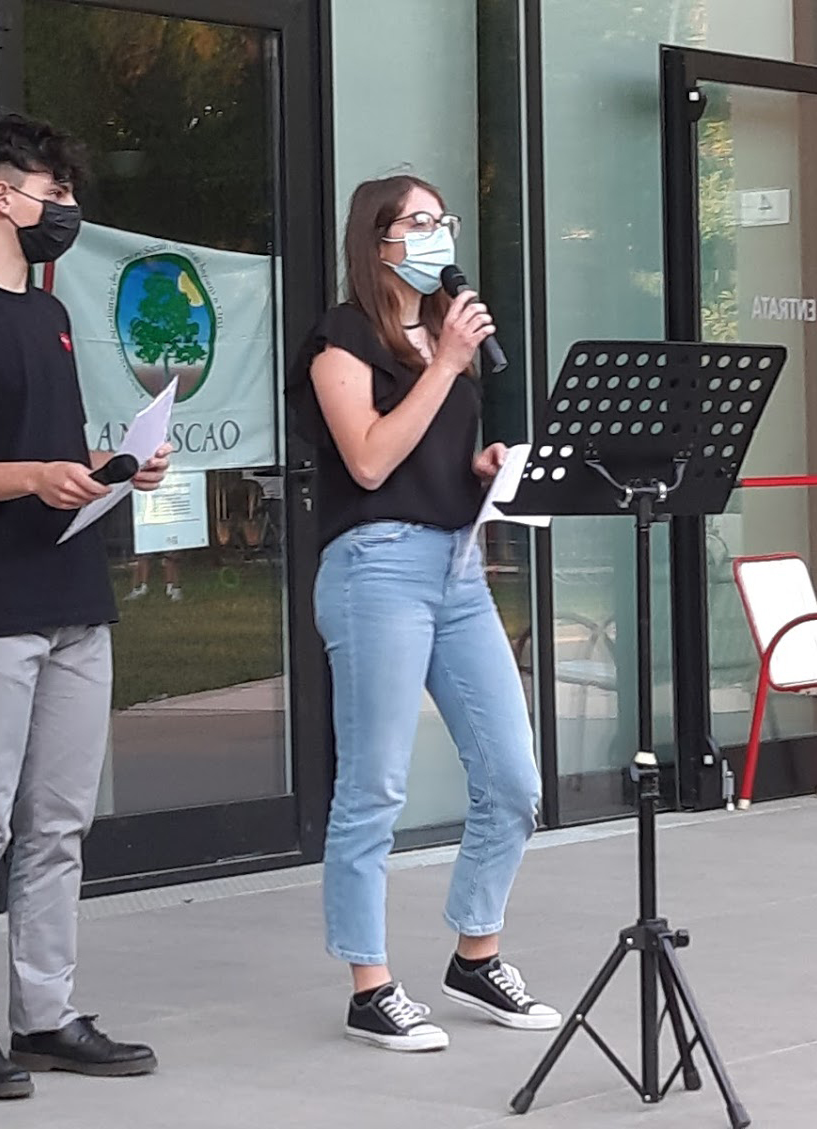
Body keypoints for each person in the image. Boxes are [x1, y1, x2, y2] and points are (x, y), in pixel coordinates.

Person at [0, 111, 171, 1101]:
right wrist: (31, 477)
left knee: (58, 823)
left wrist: (114, 466)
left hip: (72, 594)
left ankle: (45, 1014)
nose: (67, 208)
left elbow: (42, 453)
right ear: (1, 196)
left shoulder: (49, 318)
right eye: (55, 192)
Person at [290, 175, 560, 1052]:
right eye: (419, 220)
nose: (438, 232)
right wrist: (443, 363)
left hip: (457, 565)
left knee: (512, 777)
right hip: (376, 568)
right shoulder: (340, 337)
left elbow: (426, 451)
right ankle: (368, 983)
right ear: (378, 241)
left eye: (443, 219)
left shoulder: (446, 337)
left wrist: (481, 466)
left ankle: (476, 951)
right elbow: (369, 461)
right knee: (375, 783)